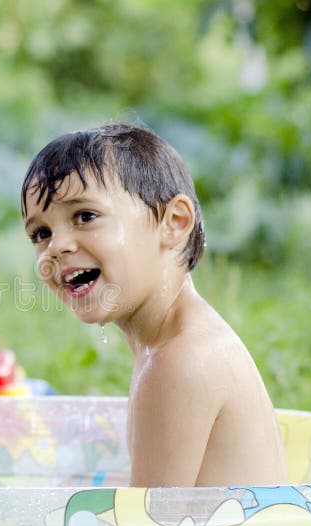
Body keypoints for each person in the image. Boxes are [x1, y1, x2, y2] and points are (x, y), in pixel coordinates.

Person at [21, 123, 287, 487]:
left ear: (174, 223)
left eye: (85, 216)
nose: (57, 246)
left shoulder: (181, 361)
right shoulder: (166, 346)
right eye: (41, 233)